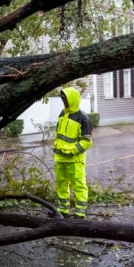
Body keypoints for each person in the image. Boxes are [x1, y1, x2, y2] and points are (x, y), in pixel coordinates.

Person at [52, 87, 93, 219]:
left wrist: (72, 152)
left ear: (71, 100)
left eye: (65, 100)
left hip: (74, 160)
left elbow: (87, 141)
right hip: (60, 158)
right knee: (61, 185)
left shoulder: (82, 117)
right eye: (63, 100)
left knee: (79, 186)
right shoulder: (62, 114)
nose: (64, 102)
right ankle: (62, 211)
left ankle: (80, 213)